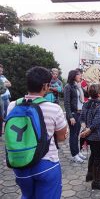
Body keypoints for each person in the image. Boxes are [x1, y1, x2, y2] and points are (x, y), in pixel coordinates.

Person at [7, 66, 67, 199]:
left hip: (20, 163)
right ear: (46, 86)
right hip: (46, 164)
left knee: (27, 195)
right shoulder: (54, 108)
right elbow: (62, 137)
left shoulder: (12, 106)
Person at [80, 84, 100, 190]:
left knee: (93, 155)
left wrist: (85, 129)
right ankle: (96, 182)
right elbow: (96, 123)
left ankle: (89, 175)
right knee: (97, 159)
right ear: (99, 94)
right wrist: (88, 130)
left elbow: (81, 118)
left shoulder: (85, 104)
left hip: (89, 136)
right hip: (98, 137)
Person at [64, 69, 86, 163]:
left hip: (79, 113)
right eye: (79, 75)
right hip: (73, 113)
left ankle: (77, 152)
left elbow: (82, 98)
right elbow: (66, 103)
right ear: (74, 76)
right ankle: (74, 155)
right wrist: (70, 116)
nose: (81, 76)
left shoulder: (78, 86)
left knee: (77, 134)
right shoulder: (68, 87)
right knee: (73, 135)